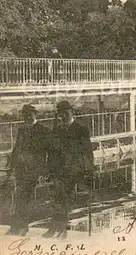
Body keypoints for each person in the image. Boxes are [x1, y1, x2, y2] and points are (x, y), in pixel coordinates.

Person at [43, 100, 94, 239]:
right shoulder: (57, 130)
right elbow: (51, 151)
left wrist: (89, 170)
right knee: (56, 198)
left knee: (64, 197)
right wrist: (49, 169)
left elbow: (88, 151)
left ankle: (59, 228)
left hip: (73, 169)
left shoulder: (81, 129)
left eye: (66, 113)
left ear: (72, 112)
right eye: (61, 113)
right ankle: (57, 227)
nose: (63, 116)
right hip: (58, 170)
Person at [6, 104, 52, 236]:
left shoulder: (43, 130)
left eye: (29, 114)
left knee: (25, 195)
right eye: (24, 114)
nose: (27, 116)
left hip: (34, 169)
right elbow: (16, 149)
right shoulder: (22, 130)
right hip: (21, 168)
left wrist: (45, 169)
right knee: (21, 195)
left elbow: (50, 151)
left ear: (35, 114)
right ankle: (20, 225)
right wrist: (11, 165)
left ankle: (20, 225)